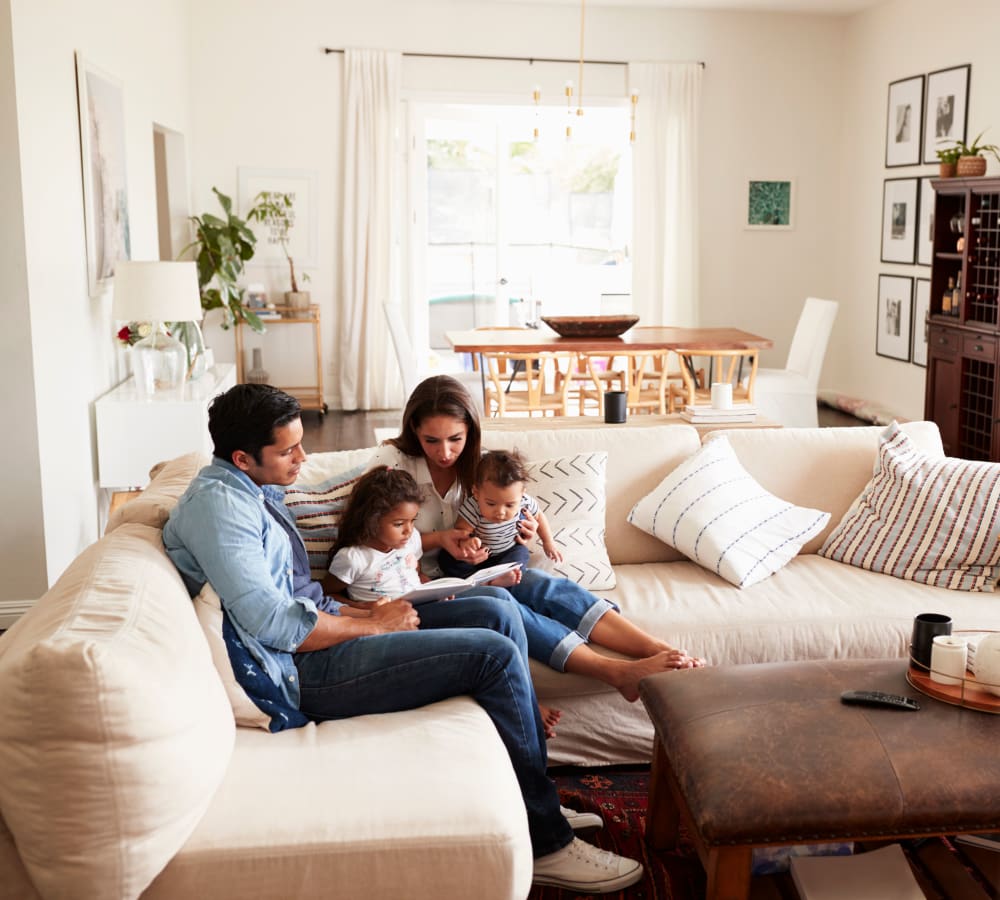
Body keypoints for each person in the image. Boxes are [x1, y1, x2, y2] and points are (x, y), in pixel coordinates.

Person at [162, 383, 641, 893]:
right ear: (242, 457)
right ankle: (548, 842)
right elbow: (275, 625)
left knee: (497, 607)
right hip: (299, 671)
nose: (303, 457)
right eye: (288, 450)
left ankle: (532, 798)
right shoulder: (222, 509)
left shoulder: (251, 487)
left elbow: (298, 598)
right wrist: (373, 623)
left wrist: (368, 608)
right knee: (496, 656)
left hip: (328, 626)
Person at [368, 375, 705, 703]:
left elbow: (512, 512)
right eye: (432, 441)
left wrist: (523, 531)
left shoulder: (480, 466)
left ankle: (661, 650)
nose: (445, 452)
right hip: (420, 587)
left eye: (455, 438)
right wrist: (441, 539)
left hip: (480, 570)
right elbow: (369, 538)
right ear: (414, 429)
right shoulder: (393, 465)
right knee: (507, 605)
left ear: (470, 429)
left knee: (542, 585)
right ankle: (616, 673)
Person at [439, 449, 562, 578]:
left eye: (509, 505)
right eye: (491, 504)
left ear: (522, 494)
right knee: (446, 558)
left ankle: (503, 577)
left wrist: (548, 542)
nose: (500, 512)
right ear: (476, 492)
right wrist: (467, 543)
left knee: (521, 554)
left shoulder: (525, 502)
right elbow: (461, 530)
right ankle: (476, 580)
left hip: (507, 551)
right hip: (478, 556)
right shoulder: (473, 507)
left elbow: (539, 517)